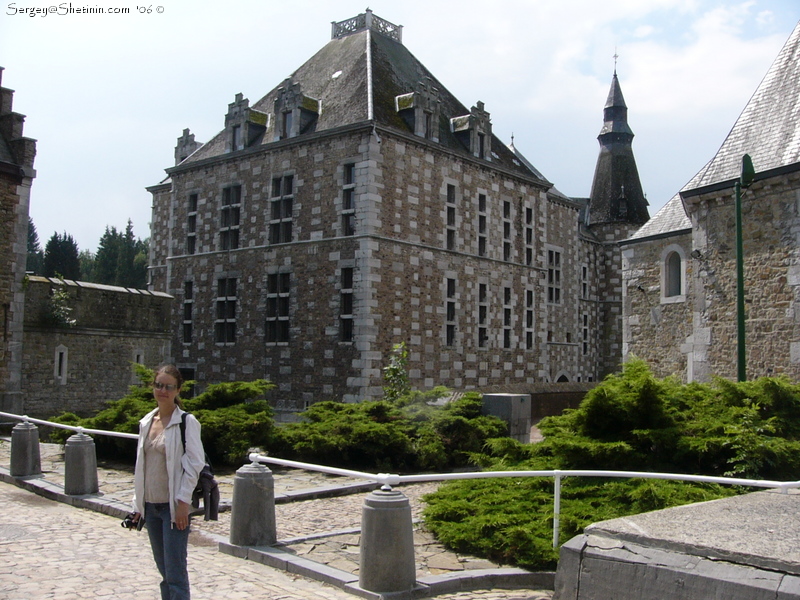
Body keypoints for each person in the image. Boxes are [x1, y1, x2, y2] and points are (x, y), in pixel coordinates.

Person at [130, 364, 205, 600]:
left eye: (168, 387)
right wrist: (137, 506)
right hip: (151, 507)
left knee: (175, 573)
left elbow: (195, 464)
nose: (163, 390)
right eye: (159, 385)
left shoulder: (186, 422)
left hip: (173, 508)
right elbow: (141, 467)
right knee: (163, 571)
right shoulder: (146, 422)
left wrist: (183, 502)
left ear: (178, 390)